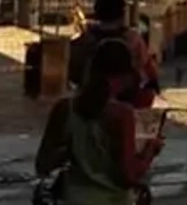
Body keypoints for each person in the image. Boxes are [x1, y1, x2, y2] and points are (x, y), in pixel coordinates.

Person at [35, 38, 164, 204]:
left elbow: (43, 164)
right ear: (123, 77)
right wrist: (151, 150)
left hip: (72, 198)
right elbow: (128, 175)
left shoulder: (65, 108)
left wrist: (74, 149)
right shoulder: (122, 114)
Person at [69, 0, 159, 108]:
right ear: (122, 14)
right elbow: (147, 65)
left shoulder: (85, 38)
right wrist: (153, 83)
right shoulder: (132, 37)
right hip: (126, 97)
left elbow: (73, 71)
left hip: (91, 95)